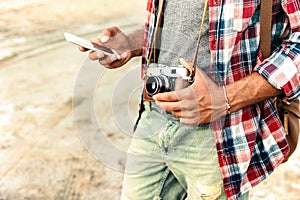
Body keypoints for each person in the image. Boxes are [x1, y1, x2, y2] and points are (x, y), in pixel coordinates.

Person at [80, 0, 300, 199]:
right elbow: (177, 28)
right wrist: (130, 42)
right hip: (153, 118)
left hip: (219, 135)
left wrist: (223, 99)